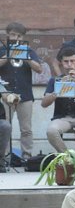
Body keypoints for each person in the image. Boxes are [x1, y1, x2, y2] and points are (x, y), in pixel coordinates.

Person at [0, 22, 44, 162]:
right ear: (8, 35)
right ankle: (4, 157)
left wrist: (27, 57)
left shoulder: (29, 51)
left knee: (26, 128)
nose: (16, 37)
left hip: (25, 95)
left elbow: (39, 69)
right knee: (5, 127)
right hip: (6, 94)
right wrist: (8, 54)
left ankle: (27, 156)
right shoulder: (2, 50)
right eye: (13, 34)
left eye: (19, 35)